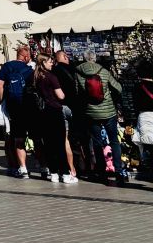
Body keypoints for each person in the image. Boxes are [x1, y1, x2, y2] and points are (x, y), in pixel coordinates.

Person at [75, 50, 128, 184]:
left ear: (84, 59)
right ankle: (118, 171)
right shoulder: (103, 71)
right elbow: (119, 88)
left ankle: (101, 172)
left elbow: (78, 93)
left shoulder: (78, 73)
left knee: (97, 143)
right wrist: (111, 99)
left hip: (91, 113)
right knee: (114, 141)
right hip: (109, 112)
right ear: (95, 58)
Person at [31, 51, 75, 182]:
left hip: (41, 112)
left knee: (48, 143)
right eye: (50, 61)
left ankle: (54, 172)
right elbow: (61, 95)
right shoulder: (51, 77)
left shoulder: (35, 77)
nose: (52, 64)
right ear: (44, 62)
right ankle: (65, 174)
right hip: (54, 111)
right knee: (60, 142)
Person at [0, 43, 34, 178]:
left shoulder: (7, 66)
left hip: (11, 106)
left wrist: (2, 101)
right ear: (25, 56)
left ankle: (13, 166)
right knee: (29, 136)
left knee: (10, 136)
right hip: (26, 105)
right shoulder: (28, 69)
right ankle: (43, 166)